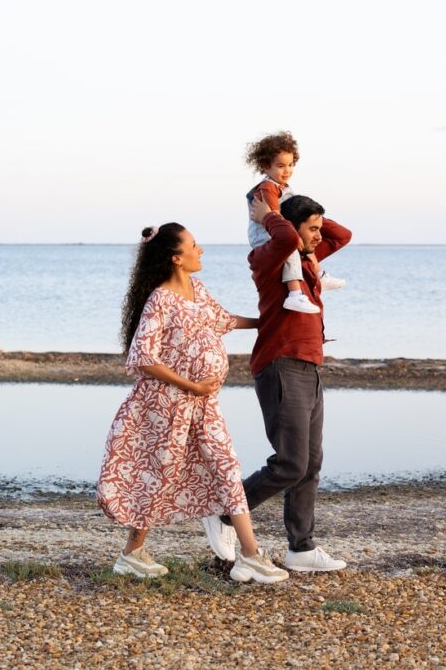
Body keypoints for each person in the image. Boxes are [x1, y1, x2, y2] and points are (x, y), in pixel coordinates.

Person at [96, 223, 288, 584]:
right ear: (176, 258)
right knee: (158, 478)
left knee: (226, 467)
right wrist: (191, 386)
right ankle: (131, 554)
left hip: (203, 404)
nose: (201, 250)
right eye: (194, 245)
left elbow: (222, 320)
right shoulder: (160, 300)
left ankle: (250, 555)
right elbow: (143, 357)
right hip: (164, 407)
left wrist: (270, 323)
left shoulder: (196, 289)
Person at [203, 194, 352, 572]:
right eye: (313, 228)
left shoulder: (305, 259)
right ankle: (225, 512)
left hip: (309, 368)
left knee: (310, 464)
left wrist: (293, 201)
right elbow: (285, 238)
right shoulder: (269, 257)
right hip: (281, 365)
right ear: (291, 227)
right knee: (289, 464)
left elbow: (343, 234)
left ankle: (301, 549)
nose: (320, 235)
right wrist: (272, 213)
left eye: (319, 228)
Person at [244, 131, 346, 316]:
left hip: (277, 230)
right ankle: (295, 294)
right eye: (281, 166)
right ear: (266, 167)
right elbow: (274, 214)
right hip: (264, 234)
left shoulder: (285, 187)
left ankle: (319, 275)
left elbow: (293, 215)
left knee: (303, 245)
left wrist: (313, 219)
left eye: (291, 165)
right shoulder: (268, 186)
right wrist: (290, 235)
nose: (287, 170)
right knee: (291, 246)